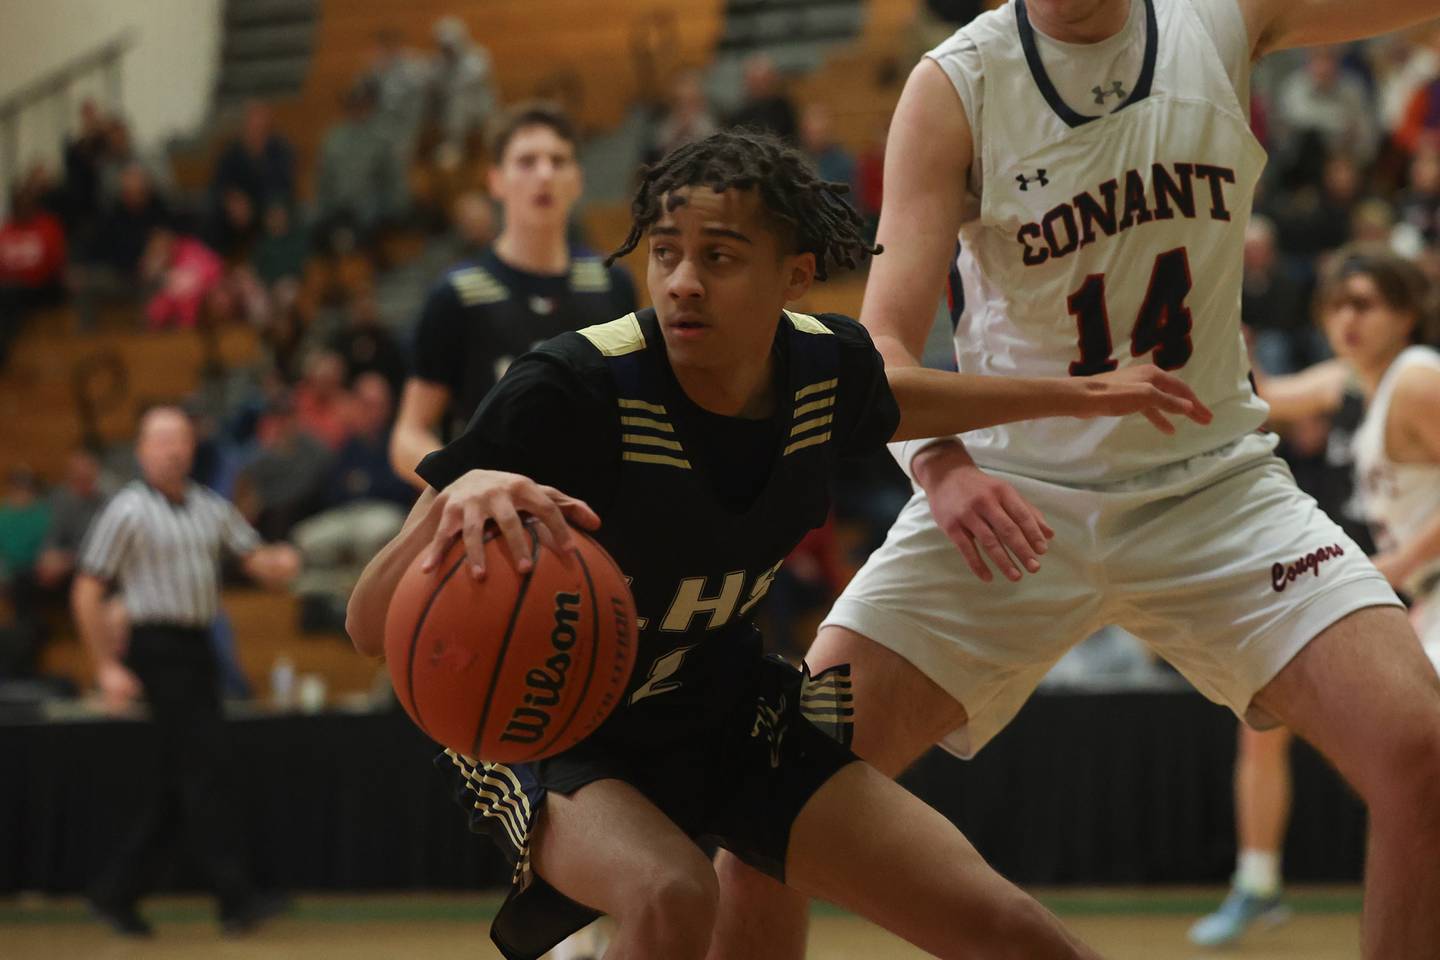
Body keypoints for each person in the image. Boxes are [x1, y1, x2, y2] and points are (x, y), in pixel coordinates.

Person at [348, 129, 1208, 960]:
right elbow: (364, 623)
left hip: (724, 717)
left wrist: (1083, 394)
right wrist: (451, 493)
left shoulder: (821, 369)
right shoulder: (569, 388)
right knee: (673, 894)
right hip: (557, 730)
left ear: (794, 278)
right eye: (665, 253)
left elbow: (903, 398)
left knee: (1009, 928)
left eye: (718, 257)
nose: (682, 282)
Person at [709, 2, 1440, 959]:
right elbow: (877, 347)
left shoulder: (1217, 19)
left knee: (1421, 751)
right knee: (771, 794)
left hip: (1213, 487)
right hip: (1010, 492)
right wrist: (940, 465)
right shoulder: (955, 84)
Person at [1190, 248, 1440, 946]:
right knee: (1269, 712)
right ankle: (1258, 883)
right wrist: (1215, 329)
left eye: (1365, 304)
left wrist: (1396, 562)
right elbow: (1256, 400)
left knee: (1410, 759)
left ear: (1407, 312)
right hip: (1420, 595)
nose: (1347, 319)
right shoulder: (1355, 380)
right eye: (1336, 304)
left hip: (1424, 585)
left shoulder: (1418, 380)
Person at [72, 406, 300, 937]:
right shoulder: (127, 510)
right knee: (204, 770)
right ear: (142, 451)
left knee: (184, 780)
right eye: (162, 441)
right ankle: (236, 899)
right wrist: (105, 665)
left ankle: (116, 892)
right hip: (156, 649)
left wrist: (281, 564)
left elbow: (254, 560)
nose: (174, 449)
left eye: (181, 440)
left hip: (199, 649)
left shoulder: (208, 507)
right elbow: (87, 589)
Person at [390, 103, 637, 488]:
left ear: (577, 180)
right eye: (526, 161)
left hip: (594, 515)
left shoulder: (612, 285)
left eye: (558, 161)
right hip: (495, 516)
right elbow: (407, 436)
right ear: (495, 180)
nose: (544, 174)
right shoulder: (457, 295)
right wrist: (465, 486)